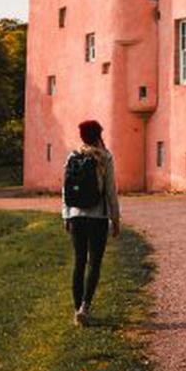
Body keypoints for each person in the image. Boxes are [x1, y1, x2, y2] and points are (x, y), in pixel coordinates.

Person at [62, 119, 121, 326]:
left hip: (76, 216)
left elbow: (65, 188)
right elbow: (111, 191)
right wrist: (115, 218)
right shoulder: (104, 157)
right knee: (94, 263)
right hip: (98, 217)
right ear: (98, 135)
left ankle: (76, 309)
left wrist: (66, 215)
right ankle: (85, 307)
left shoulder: (73, 156)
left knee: (79, 261)